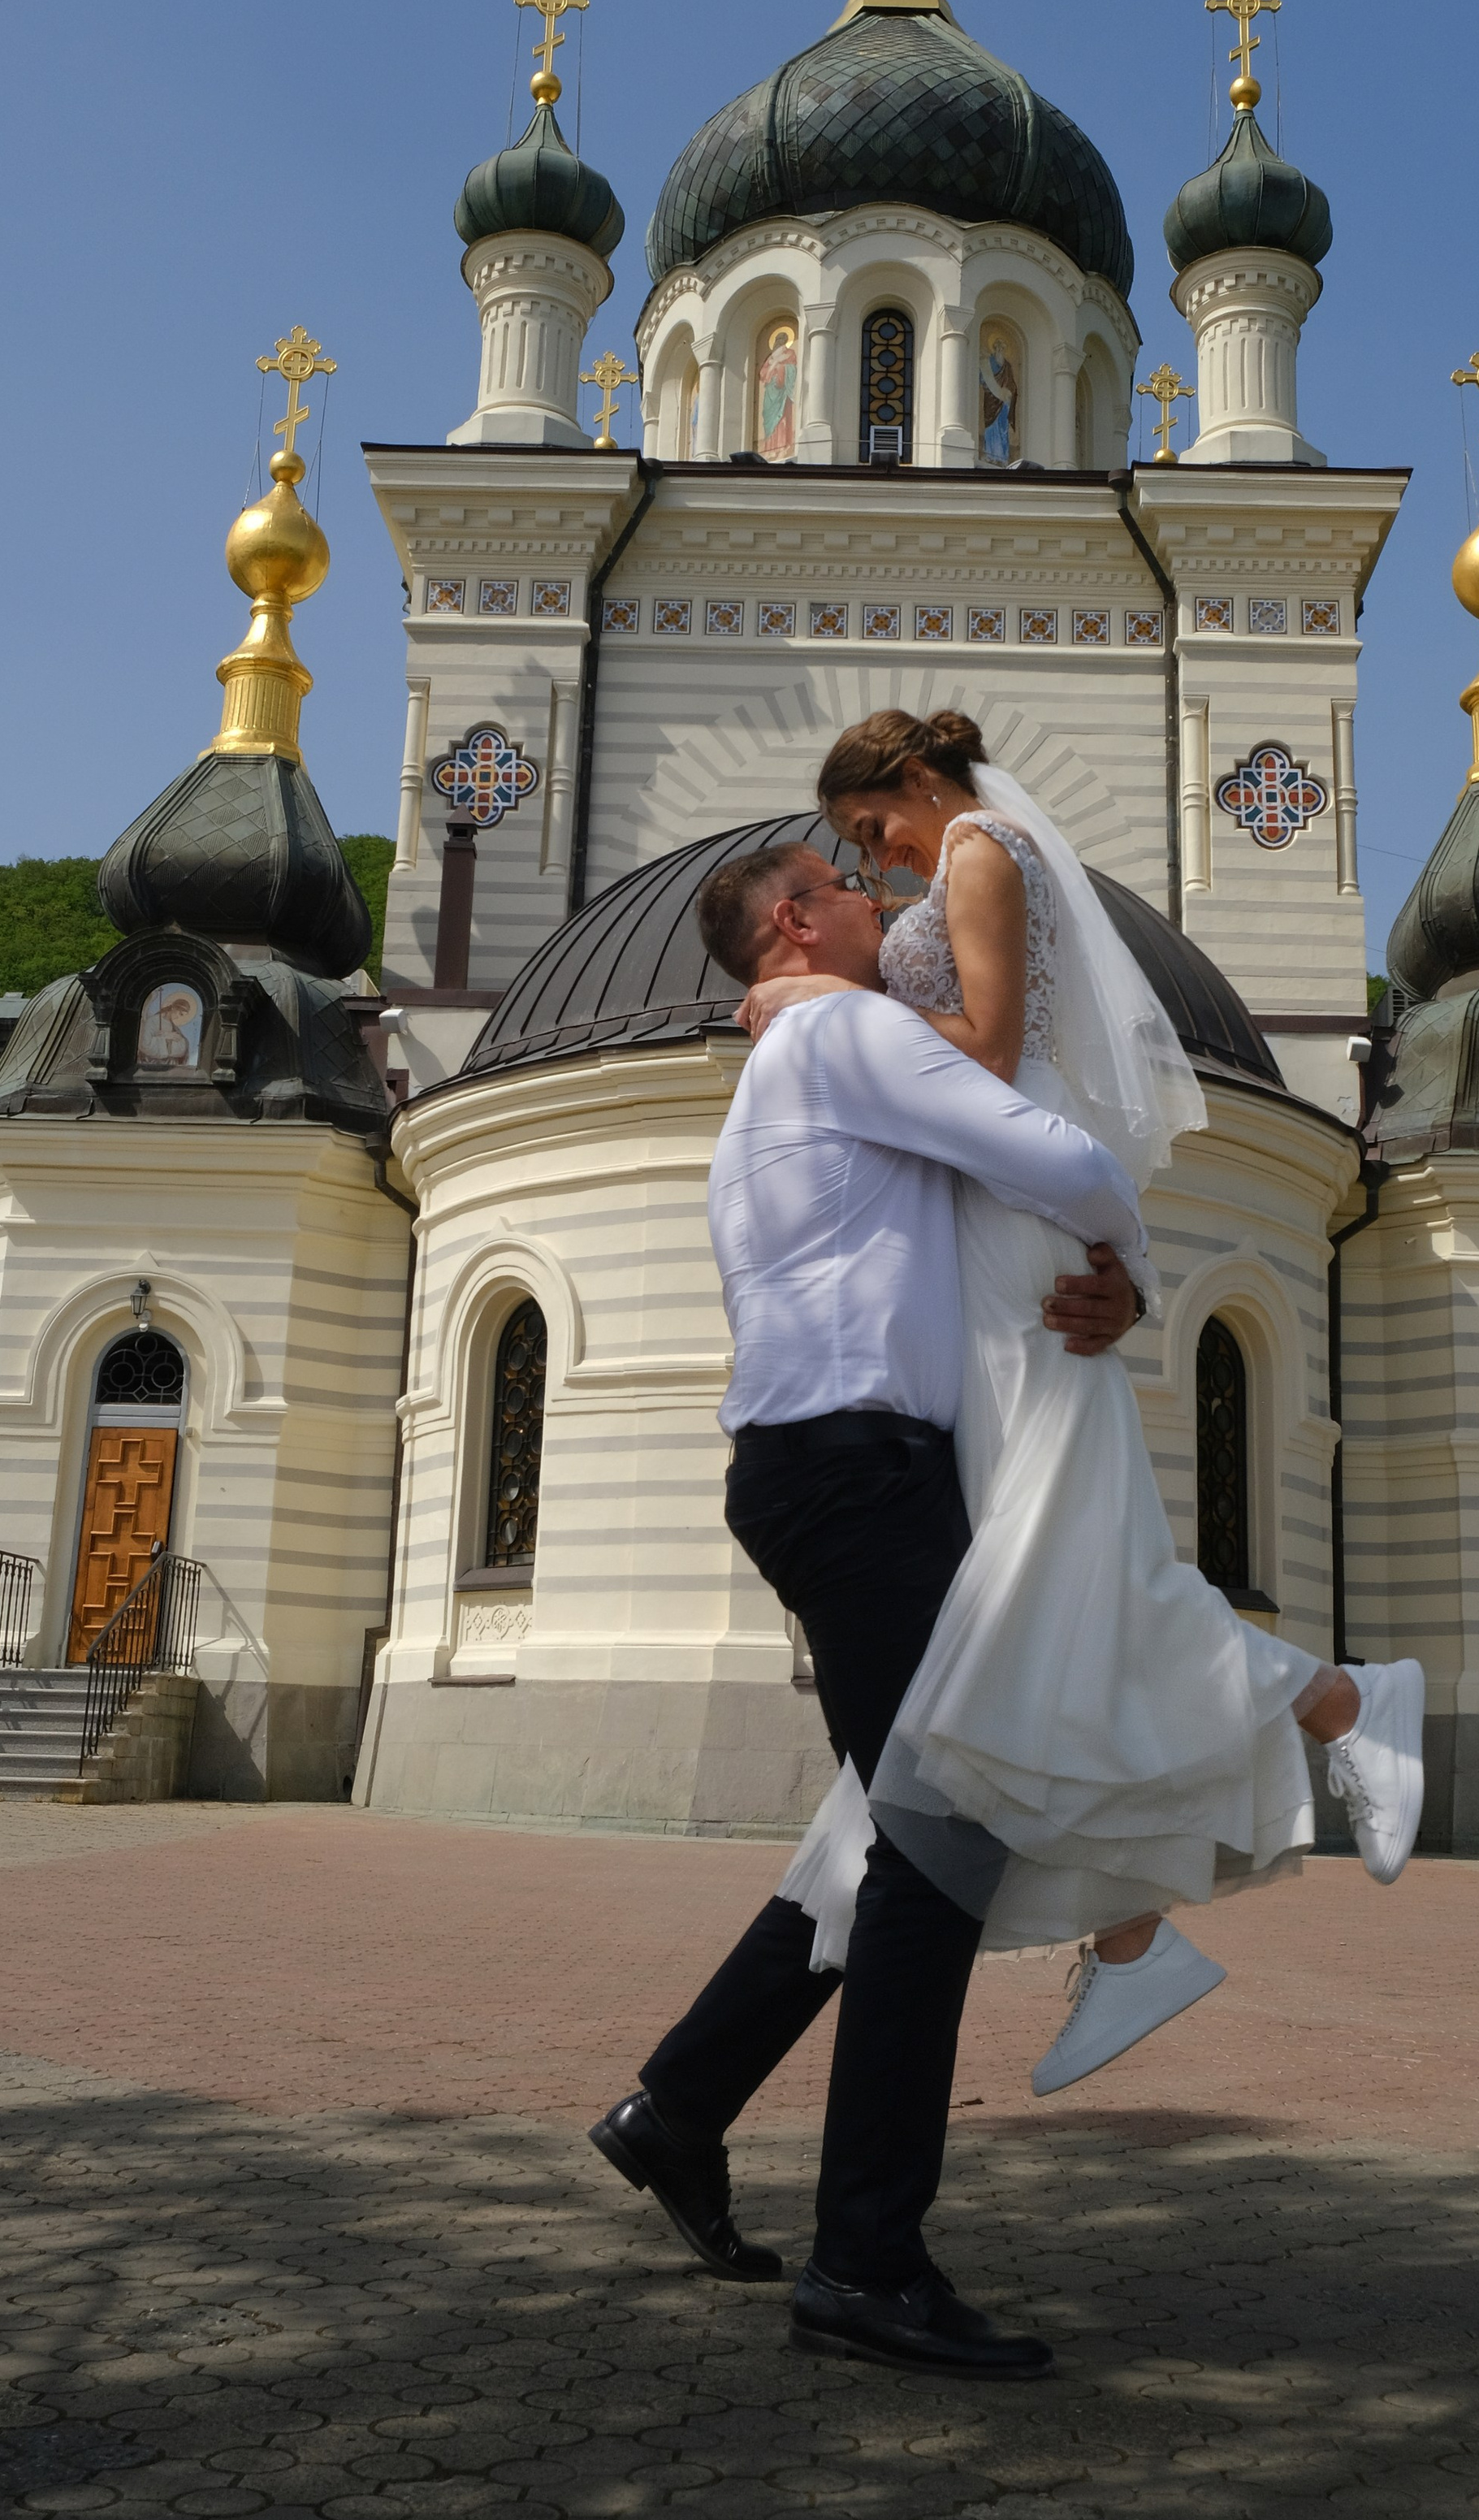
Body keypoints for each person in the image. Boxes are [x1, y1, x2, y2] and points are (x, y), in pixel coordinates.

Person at [754, 709, 1425, 2098]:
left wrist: (833, 1003)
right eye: (853, 856)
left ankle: (1346, 1706)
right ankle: (1130, 1933)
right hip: (996, 1224)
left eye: (873, 831)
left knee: (1060, 1564)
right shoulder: (950, 876)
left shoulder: (985, 849)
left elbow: (990, 1055)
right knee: (1030, 1580)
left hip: (1013, 1217)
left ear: (919, 784)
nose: (869, 862)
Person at [590, 838, 1153, 2380]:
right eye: (844, 883)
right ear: (792, 923)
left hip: (824, 1471)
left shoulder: (797, 1048)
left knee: (876, 1825)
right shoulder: (839, 1027)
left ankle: (680, 2110)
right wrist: (1136, 1265)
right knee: (941, 1842)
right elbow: (1057, 1155)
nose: (877, 900)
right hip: (859, 1473)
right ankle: (864, 2261)